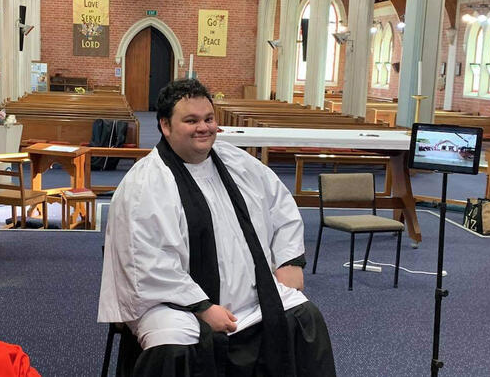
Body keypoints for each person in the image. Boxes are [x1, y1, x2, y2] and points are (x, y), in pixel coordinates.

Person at [98, 79, 336, 376]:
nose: (204, 128)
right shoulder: (144, 185)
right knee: (175, 348)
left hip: (249, 293)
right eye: (191, 120)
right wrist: (202, 307)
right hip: (172, 303)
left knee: (305, 318)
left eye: (209, 119)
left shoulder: (238, 162)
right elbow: (144, 262)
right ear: (165, 126)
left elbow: (281, 207)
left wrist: (289, 260)